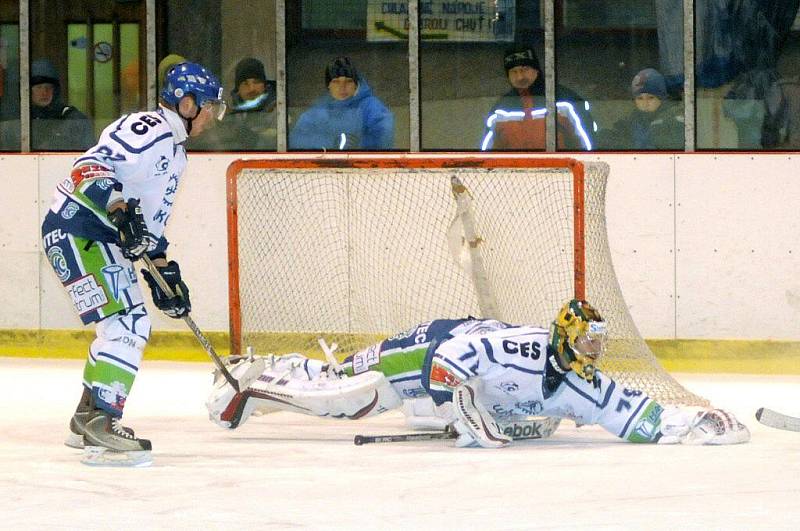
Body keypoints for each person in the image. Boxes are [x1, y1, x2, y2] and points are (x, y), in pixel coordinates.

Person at [207, 299, 750, 448]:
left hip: (445, 363)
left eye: (597, 343)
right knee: (348, 398)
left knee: (336, 379)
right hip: (425, 352)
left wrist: (697, 421)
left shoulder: (583, 382)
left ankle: (264, 369)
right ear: (563, 335)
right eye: (585, 340)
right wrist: (470, 418)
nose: (593, 351)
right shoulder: (520, 347)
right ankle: (249, 385)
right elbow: (448, 365)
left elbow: (634, 413)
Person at [41, 62, 226, 466]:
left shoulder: (177, 155)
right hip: (79, 227)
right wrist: (118, 207)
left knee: (123, 321)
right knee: (128, 322)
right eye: (211, 105)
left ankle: (87, 416)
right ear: (188, 102)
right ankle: (103, 421)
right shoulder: (149, 127)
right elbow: (88, 167)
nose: (213, 115)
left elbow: (149, 228)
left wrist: (164, 275)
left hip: (92, 235)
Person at [481, 47, 594, 151]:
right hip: (515, 172)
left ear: (536, 70)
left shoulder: (566, 101)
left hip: (560, 171)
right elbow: (487, 155)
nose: (520, 76)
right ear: (508, 76)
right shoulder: (500, 109)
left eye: (525, 69)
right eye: (514, 72)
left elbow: (588, 147)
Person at [289, 56, 394, 150]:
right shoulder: (318, 110)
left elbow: (384, 137)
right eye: (336, 81)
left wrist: (360, 146)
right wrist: (331, 144)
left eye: (348, 81)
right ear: (328, 85)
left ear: (357, 84)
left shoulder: (372, 108)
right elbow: (298, 141)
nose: (342, 87)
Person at [193, 57, 277, 150]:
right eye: (245, 83)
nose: (252, 88)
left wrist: (255, 138)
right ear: (238, 89)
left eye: (256, 82)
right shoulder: (226, 111)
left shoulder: (279, 109)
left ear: (264, 85)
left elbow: (278, 143)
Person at [599, 68, 684, 150]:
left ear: (661, 99)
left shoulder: (674, 121)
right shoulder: (630, 122)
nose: (645, 103)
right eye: (640, 98)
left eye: (651, 98)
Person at [30, 58, 93, 151]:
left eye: (49, 87)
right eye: (39, 87)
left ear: (55, 91)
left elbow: (89, 152)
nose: (44, 92)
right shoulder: (20, 120)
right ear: (29, 91)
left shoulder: (73, 118)